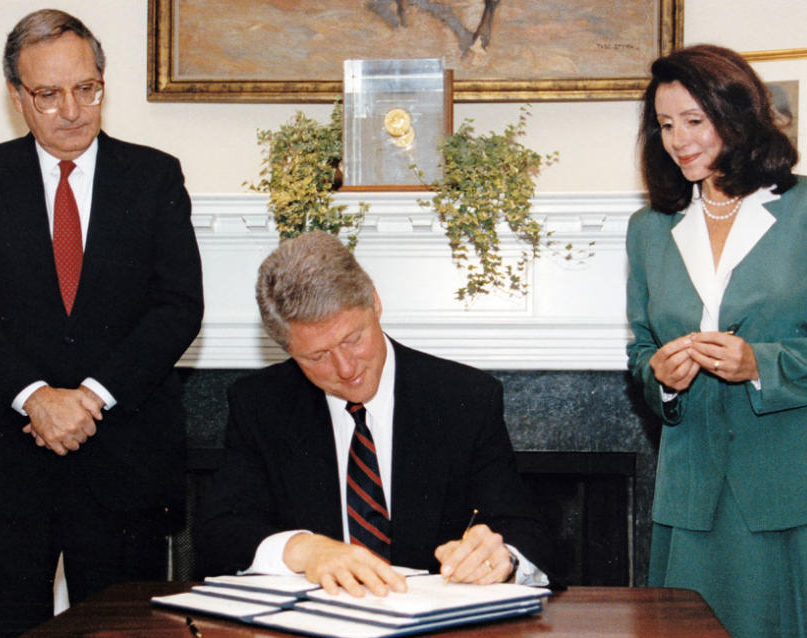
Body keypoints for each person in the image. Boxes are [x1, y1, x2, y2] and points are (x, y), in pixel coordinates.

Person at [0, 10, 203, 638]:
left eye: (87, 88)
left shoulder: (155, 175)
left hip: (124, 460)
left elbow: (179, 305)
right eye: (47, 95)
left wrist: (90, 398)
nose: (71, 110)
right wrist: (36, 398)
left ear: (103, 81)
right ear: (17, 96)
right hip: (7, 463)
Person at [627, 44, 807, 637]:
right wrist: (660, 378)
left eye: (695, 120)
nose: (678, 139)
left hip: (801, 491)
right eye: (665, 124)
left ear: (737, 114)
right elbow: (640, 350)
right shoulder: (648, 229)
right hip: (692, 498)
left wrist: (760, 363)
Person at [197, 231, 559, 597]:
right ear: (288, 349)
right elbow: (219, 535)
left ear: (375, 301)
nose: (345, 368)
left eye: (353, 339)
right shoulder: (261, 404)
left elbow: (527, 532)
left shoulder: (464, 398)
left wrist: (504, 559)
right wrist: (305, 550)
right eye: (317, 357)